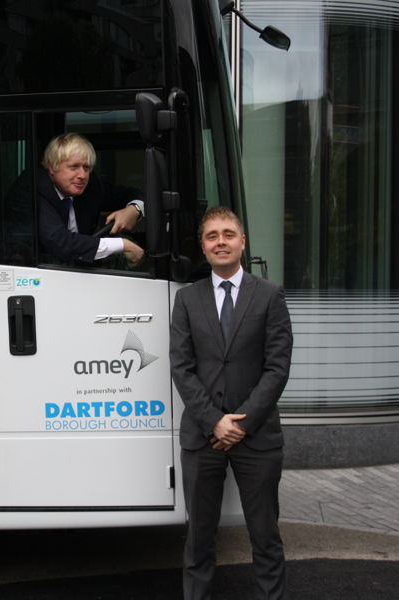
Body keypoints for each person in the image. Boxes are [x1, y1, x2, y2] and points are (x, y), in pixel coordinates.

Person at [169, 205, 293, 600]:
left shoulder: (270, 295)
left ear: (242, 241)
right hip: (203, 436)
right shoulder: (186, 299)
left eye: (227, 234)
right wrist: (214, 421)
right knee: (199, 539)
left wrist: (241, 422)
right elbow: (181, 368)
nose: (220, 242)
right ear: (203, 247)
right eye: (212, 236)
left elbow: (277, 367)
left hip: (256, 436)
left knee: (265, 537)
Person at [36, 133, 145, 265]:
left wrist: (134, 209)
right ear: (52, 167)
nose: (82, 175)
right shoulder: (37, 188)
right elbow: (60, 242)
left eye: (86, 167)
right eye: (74, 167)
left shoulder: (90, 186)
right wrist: (121, 245)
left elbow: (132, 193)